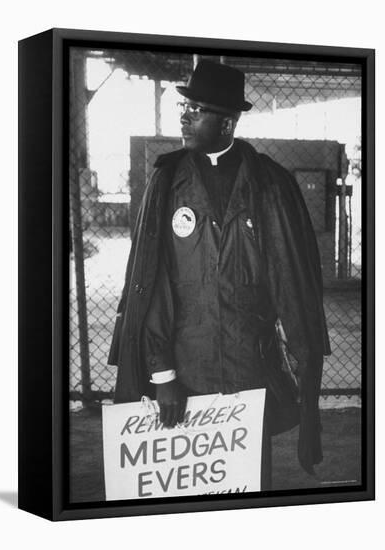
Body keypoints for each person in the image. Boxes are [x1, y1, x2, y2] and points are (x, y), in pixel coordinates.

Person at [108, 60, 331, 483]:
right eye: (184, 106)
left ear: (228, 122)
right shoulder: (167, 181)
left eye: (197, 109)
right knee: (191, 490)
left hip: (252, 371)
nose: (184, 116)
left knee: (249, 482)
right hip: (185, 376)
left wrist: (305, 365)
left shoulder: (270, 184)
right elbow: (148, 285)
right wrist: (163, 376)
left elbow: (294, 285)